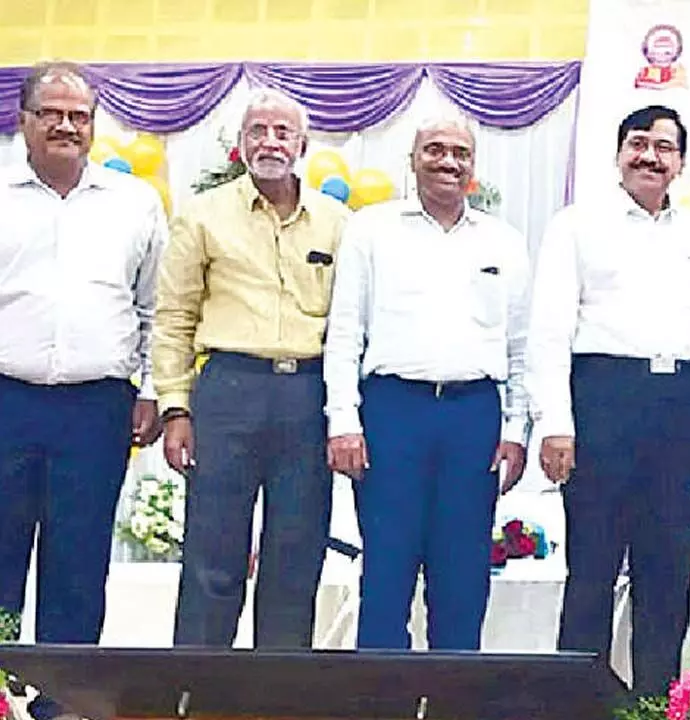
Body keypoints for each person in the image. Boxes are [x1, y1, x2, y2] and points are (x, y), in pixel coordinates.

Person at [527, 105, 690, 698]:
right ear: (618, 154)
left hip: (682, 409)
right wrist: (554, 424)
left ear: (681, 163)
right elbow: (549, 330)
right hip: (603, 404)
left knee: (666, 577)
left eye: (665, 147)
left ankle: (656, 704)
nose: (650, 156)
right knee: (592, 571)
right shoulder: (576, 225)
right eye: (639, 143)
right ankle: (576, 706)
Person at [323, 116, 530, 651]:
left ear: (473, 168)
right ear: (412, 161)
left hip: (473, 416)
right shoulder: (371, 230)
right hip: (394, 412)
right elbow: (345, 332)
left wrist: (516, 430)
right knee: (387, 572)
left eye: (460, 152)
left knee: (463, 577)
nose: (447, 161)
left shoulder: (503, 242)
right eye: (434, 149)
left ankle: (452, 703)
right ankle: (381, 705)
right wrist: (343, 420)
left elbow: (521, 347)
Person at [153, 89, 350, 648]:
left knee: (296, 551)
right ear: (240, 145)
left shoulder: (339, 224)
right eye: (258, 131)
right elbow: (173, 318)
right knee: (213, 552)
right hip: (228, 391)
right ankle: (196, 688)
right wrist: (175, 409)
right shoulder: (202, 216)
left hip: (308, 396)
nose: (270, 142)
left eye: (282, 132)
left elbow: (353, 322)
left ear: (303, 145)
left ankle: (278, 696)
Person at [0, 61, 164, 644]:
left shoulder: (134, 203)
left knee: (79, 557)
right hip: (8, 401)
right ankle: (2, 690)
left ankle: (60, 697)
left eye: (79, 115)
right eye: (52, 114)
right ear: (23, 121)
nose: (67, 126)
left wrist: (150, 391)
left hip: (98, 408)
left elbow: (155, 310)